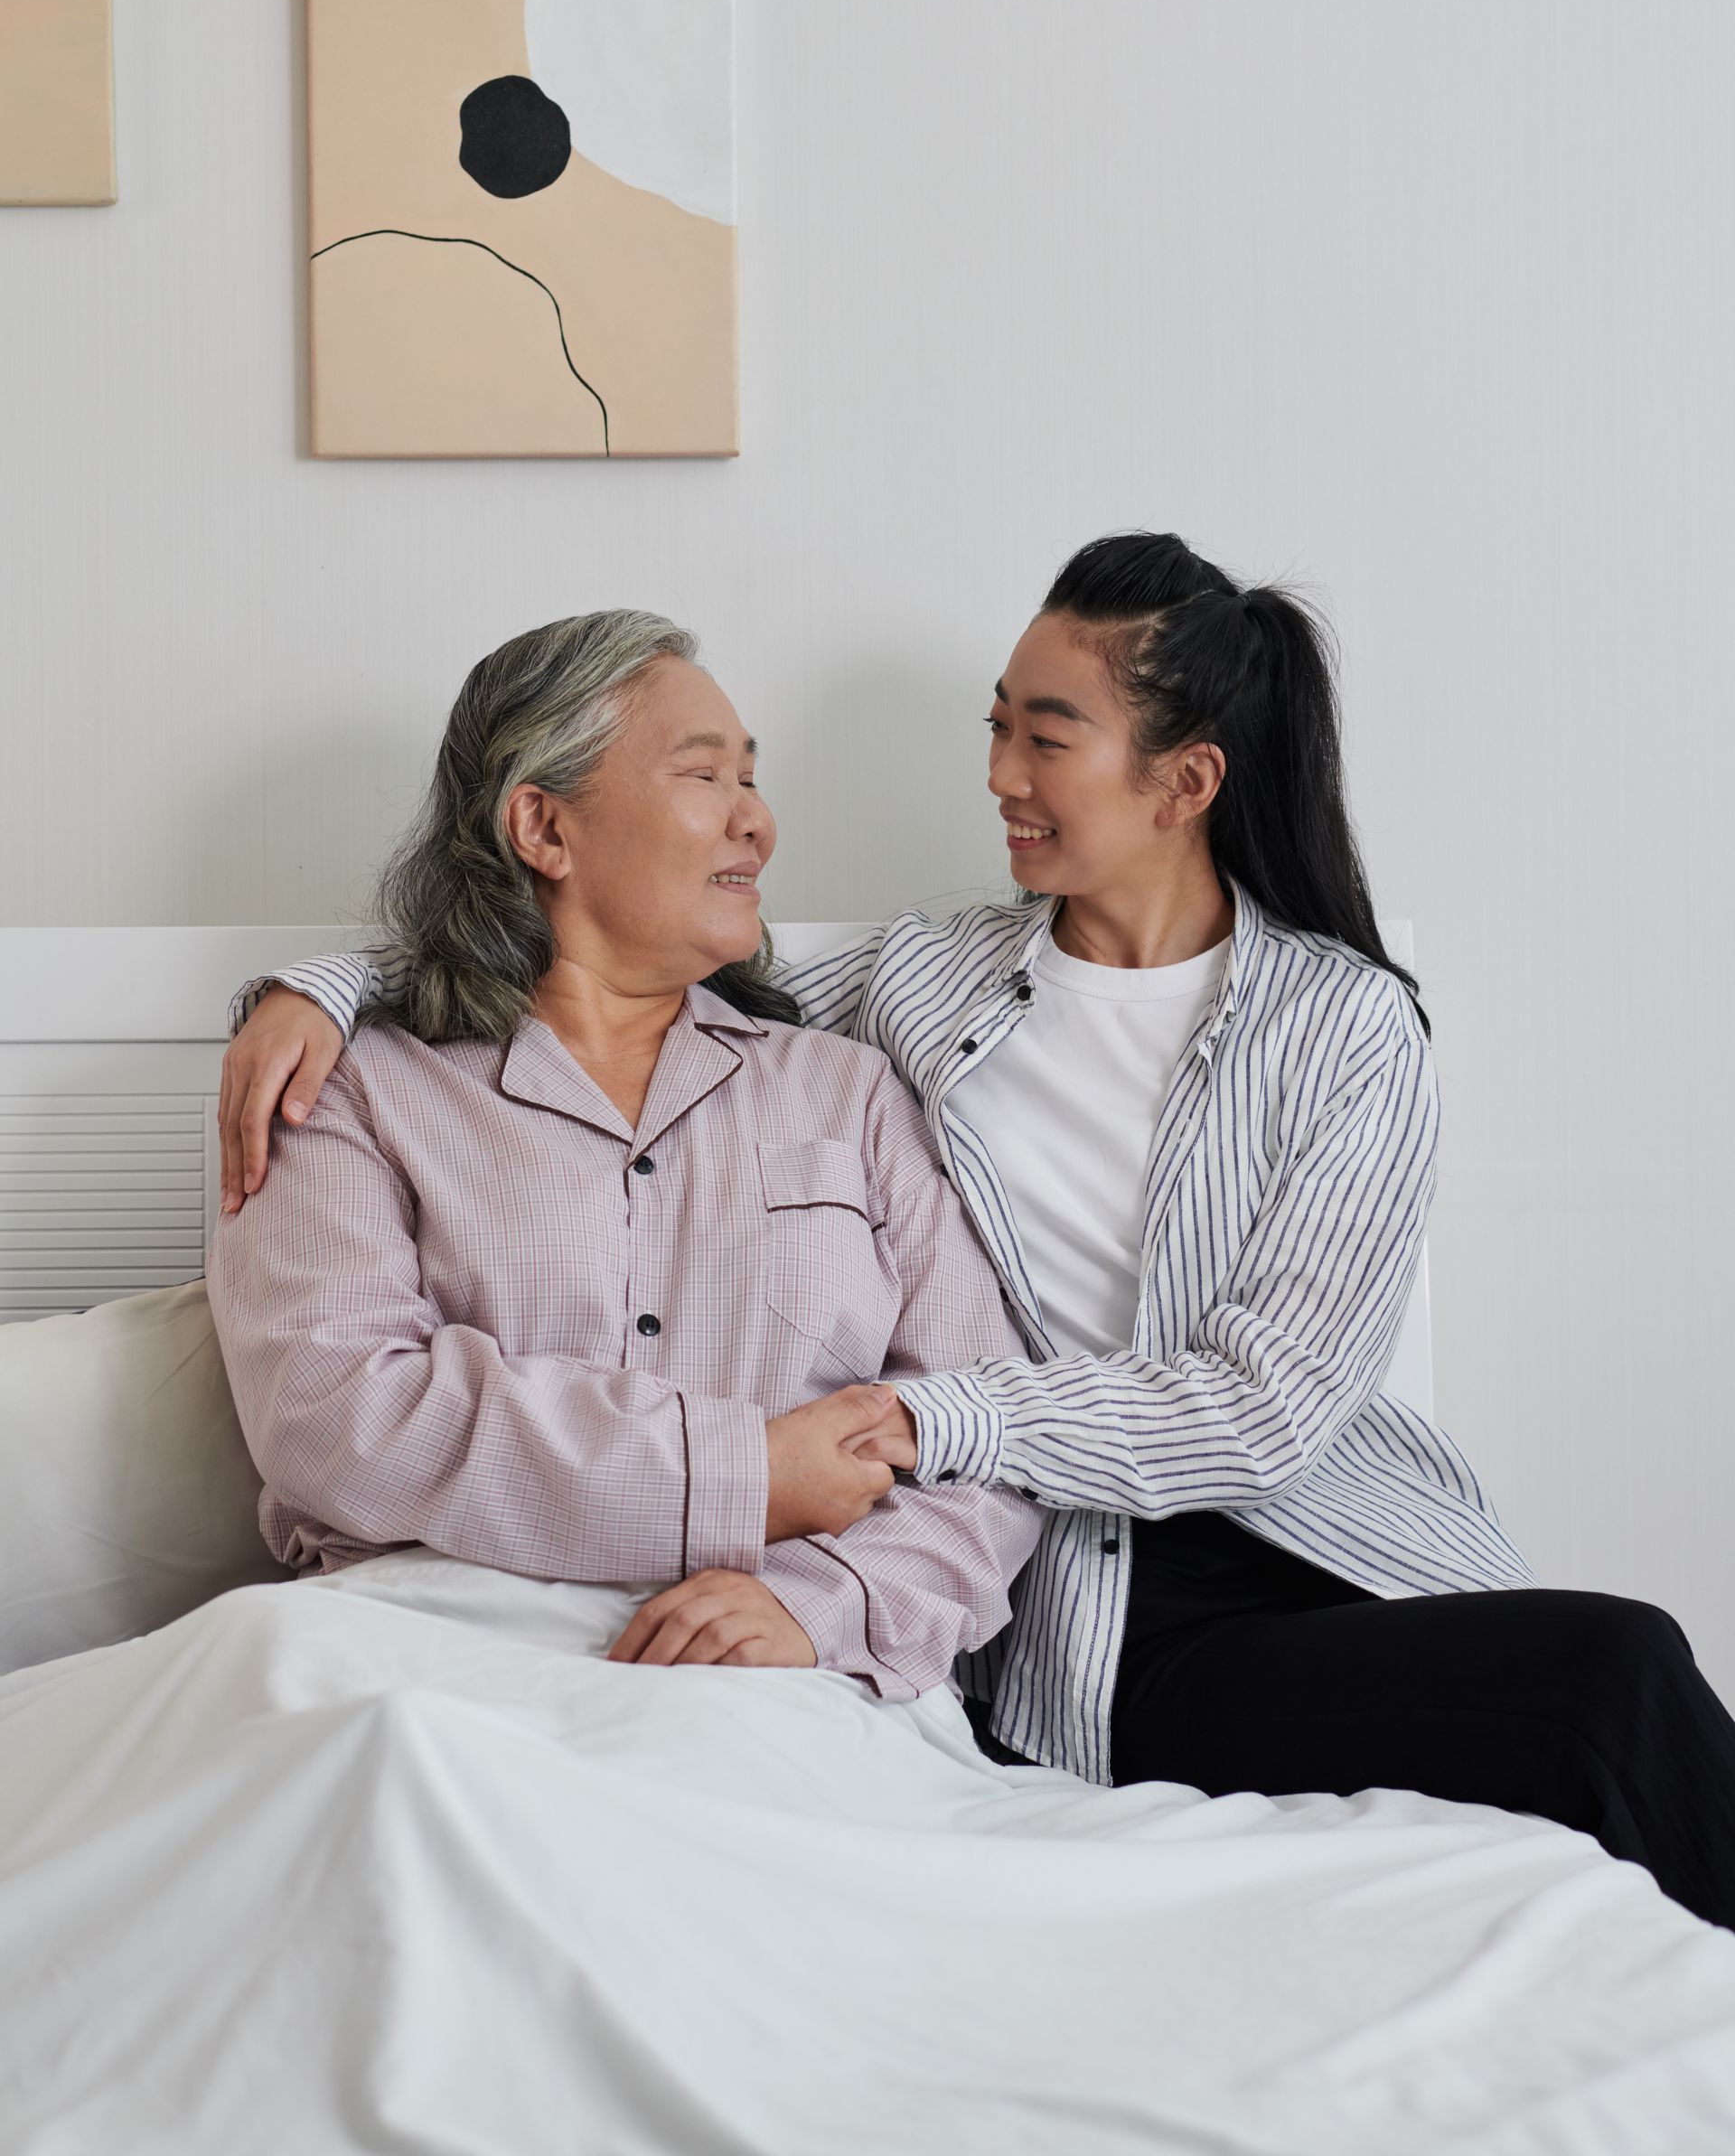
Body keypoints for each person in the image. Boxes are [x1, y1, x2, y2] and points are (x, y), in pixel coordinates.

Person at [219, 535, 1735, 1928]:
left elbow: (1266, 1409)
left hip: (1317, 1538)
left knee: (1617, 1679)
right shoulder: (920, 990)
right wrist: (321, 991)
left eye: (1045, 736)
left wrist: (932, 1420)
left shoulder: (1349, 1031)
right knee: (1616, 1692)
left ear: (1184, 783)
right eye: (996, 725)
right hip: (1091, 1594)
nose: (999, 772)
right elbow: (615, 948)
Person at [208, 608, 1042, 1689]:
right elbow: (336, 1416)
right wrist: (739, 1475)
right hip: (431, 1653)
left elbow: (988, 1432)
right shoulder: (347, 1086)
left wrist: (827, 1602)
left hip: (781, 1670)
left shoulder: (848, 1093)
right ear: (543, 829)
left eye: (753, 779)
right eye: (707, 777)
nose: (760, 823)